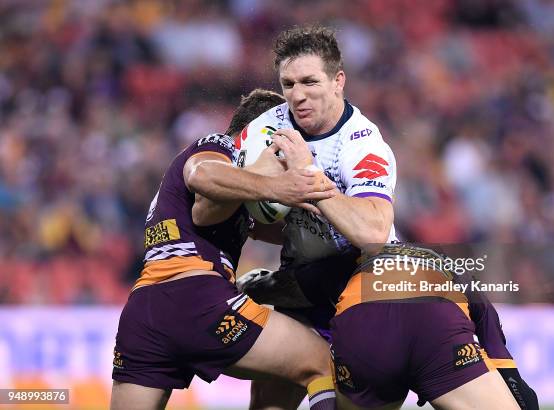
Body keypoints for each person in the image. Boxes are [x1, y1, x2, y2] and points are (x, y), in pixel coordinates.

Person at [232, 25, 523, 409]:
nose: (298, 95)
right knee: (269, 399)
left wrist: (310, 182)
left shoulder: (360, 142)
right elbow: (277, 220)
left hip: (374, 292)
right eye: (288, 84)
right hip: (314, 297)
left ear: (339, 81)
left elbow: (373, 228)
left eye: (309, 82)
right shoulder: (270, 128)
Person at [110, 89, 338, 410]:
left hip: (144, 315)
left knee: (285, 374)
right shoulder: (220, 146)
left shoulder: (235, 187)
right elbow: (202, 175)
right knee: (322, 362)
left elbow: (277, 231)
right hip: (199, 300)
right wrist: (278, 185)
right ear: (266, 132)